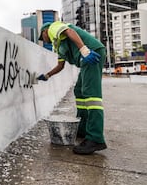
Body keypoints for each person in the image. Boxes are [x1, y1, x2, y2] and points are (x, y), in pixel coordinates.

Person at [37, 21, 107, 155]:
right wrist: (47, 75)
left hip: (91, 53)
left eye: (42, 36)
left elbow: (69, 31)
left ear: (45, 31)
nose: (43, 40)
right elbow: (60, 66)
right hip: (85, 58)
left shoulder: (53, 27)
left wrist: (84, 50)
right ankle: (83, 129)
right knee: (79, 91)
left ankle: (95, 138)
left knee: (92, 96)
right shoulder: (58, 44)